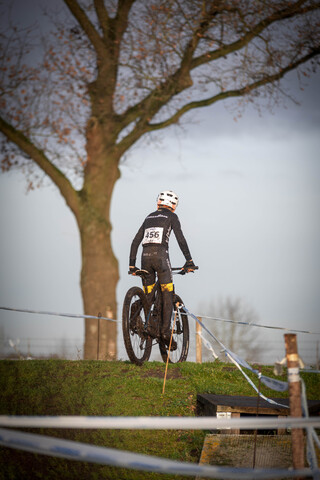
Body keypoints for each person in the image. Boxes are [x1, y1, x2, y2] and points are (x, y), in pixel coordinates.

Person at [129, 190, 196, 348]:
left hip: (144, 259)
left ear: (158, 202)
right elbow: (180, 239)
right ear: (173, 206)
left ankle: (135, 319)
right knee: (167, 292)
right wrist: (189, 261)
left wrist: (132, 264)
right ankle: (165, 332)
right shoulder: (172, 216)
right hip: (161, 258)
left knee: (148, 295)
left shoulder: (148, 217)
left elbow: (135, 241)